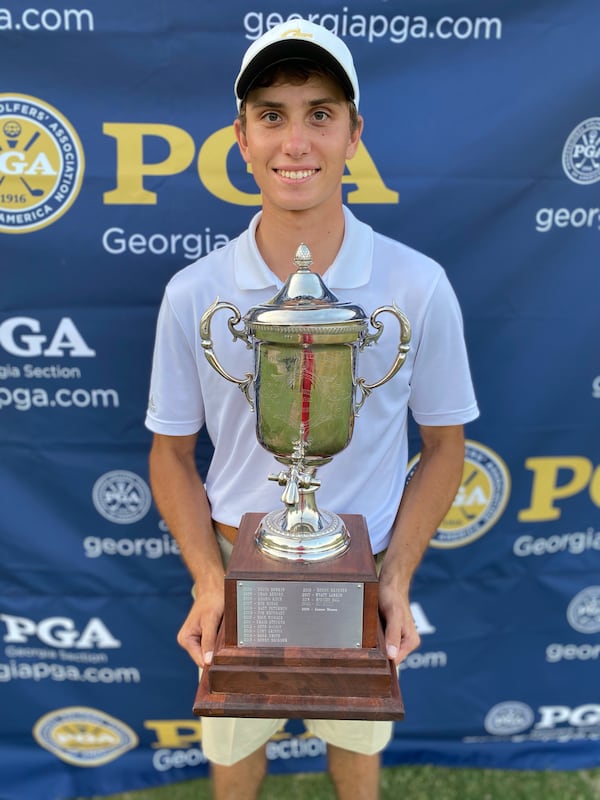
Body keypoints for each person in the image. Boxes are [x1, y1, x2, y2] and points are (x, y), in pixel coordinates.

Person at [145, 18, 479, 800]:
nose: (296, 142)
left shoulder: (417, 284)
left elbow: (445, 444)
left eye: (320, 114)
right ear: (241, 136)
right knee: (234, 761)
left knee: (357, 762)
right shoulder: (194, 293)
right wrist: (207, 580)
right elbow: (169, 453)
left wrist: (393, 575)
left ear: (354, 135)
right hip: (236, 565)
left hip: (359, 569)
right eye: (272, 115)